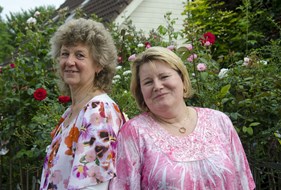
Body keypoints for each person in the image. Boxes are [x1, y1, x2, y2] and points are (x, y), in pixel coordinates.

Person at [110, 47, 255, 189]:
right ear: (141, 93)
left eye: (164, 76)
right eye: (148, 82)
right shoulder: (134, 133)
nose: (158, 86)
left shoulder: (219, 121)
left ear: (183, 80)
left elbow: (243, 182)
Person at [40, 18, 125, 190]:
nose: (69, 61)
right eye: (65, 53)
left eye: (79, 55)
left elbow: (93, 186)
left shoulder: (99, 112)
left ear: (99, 64)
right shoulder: (71, 113)